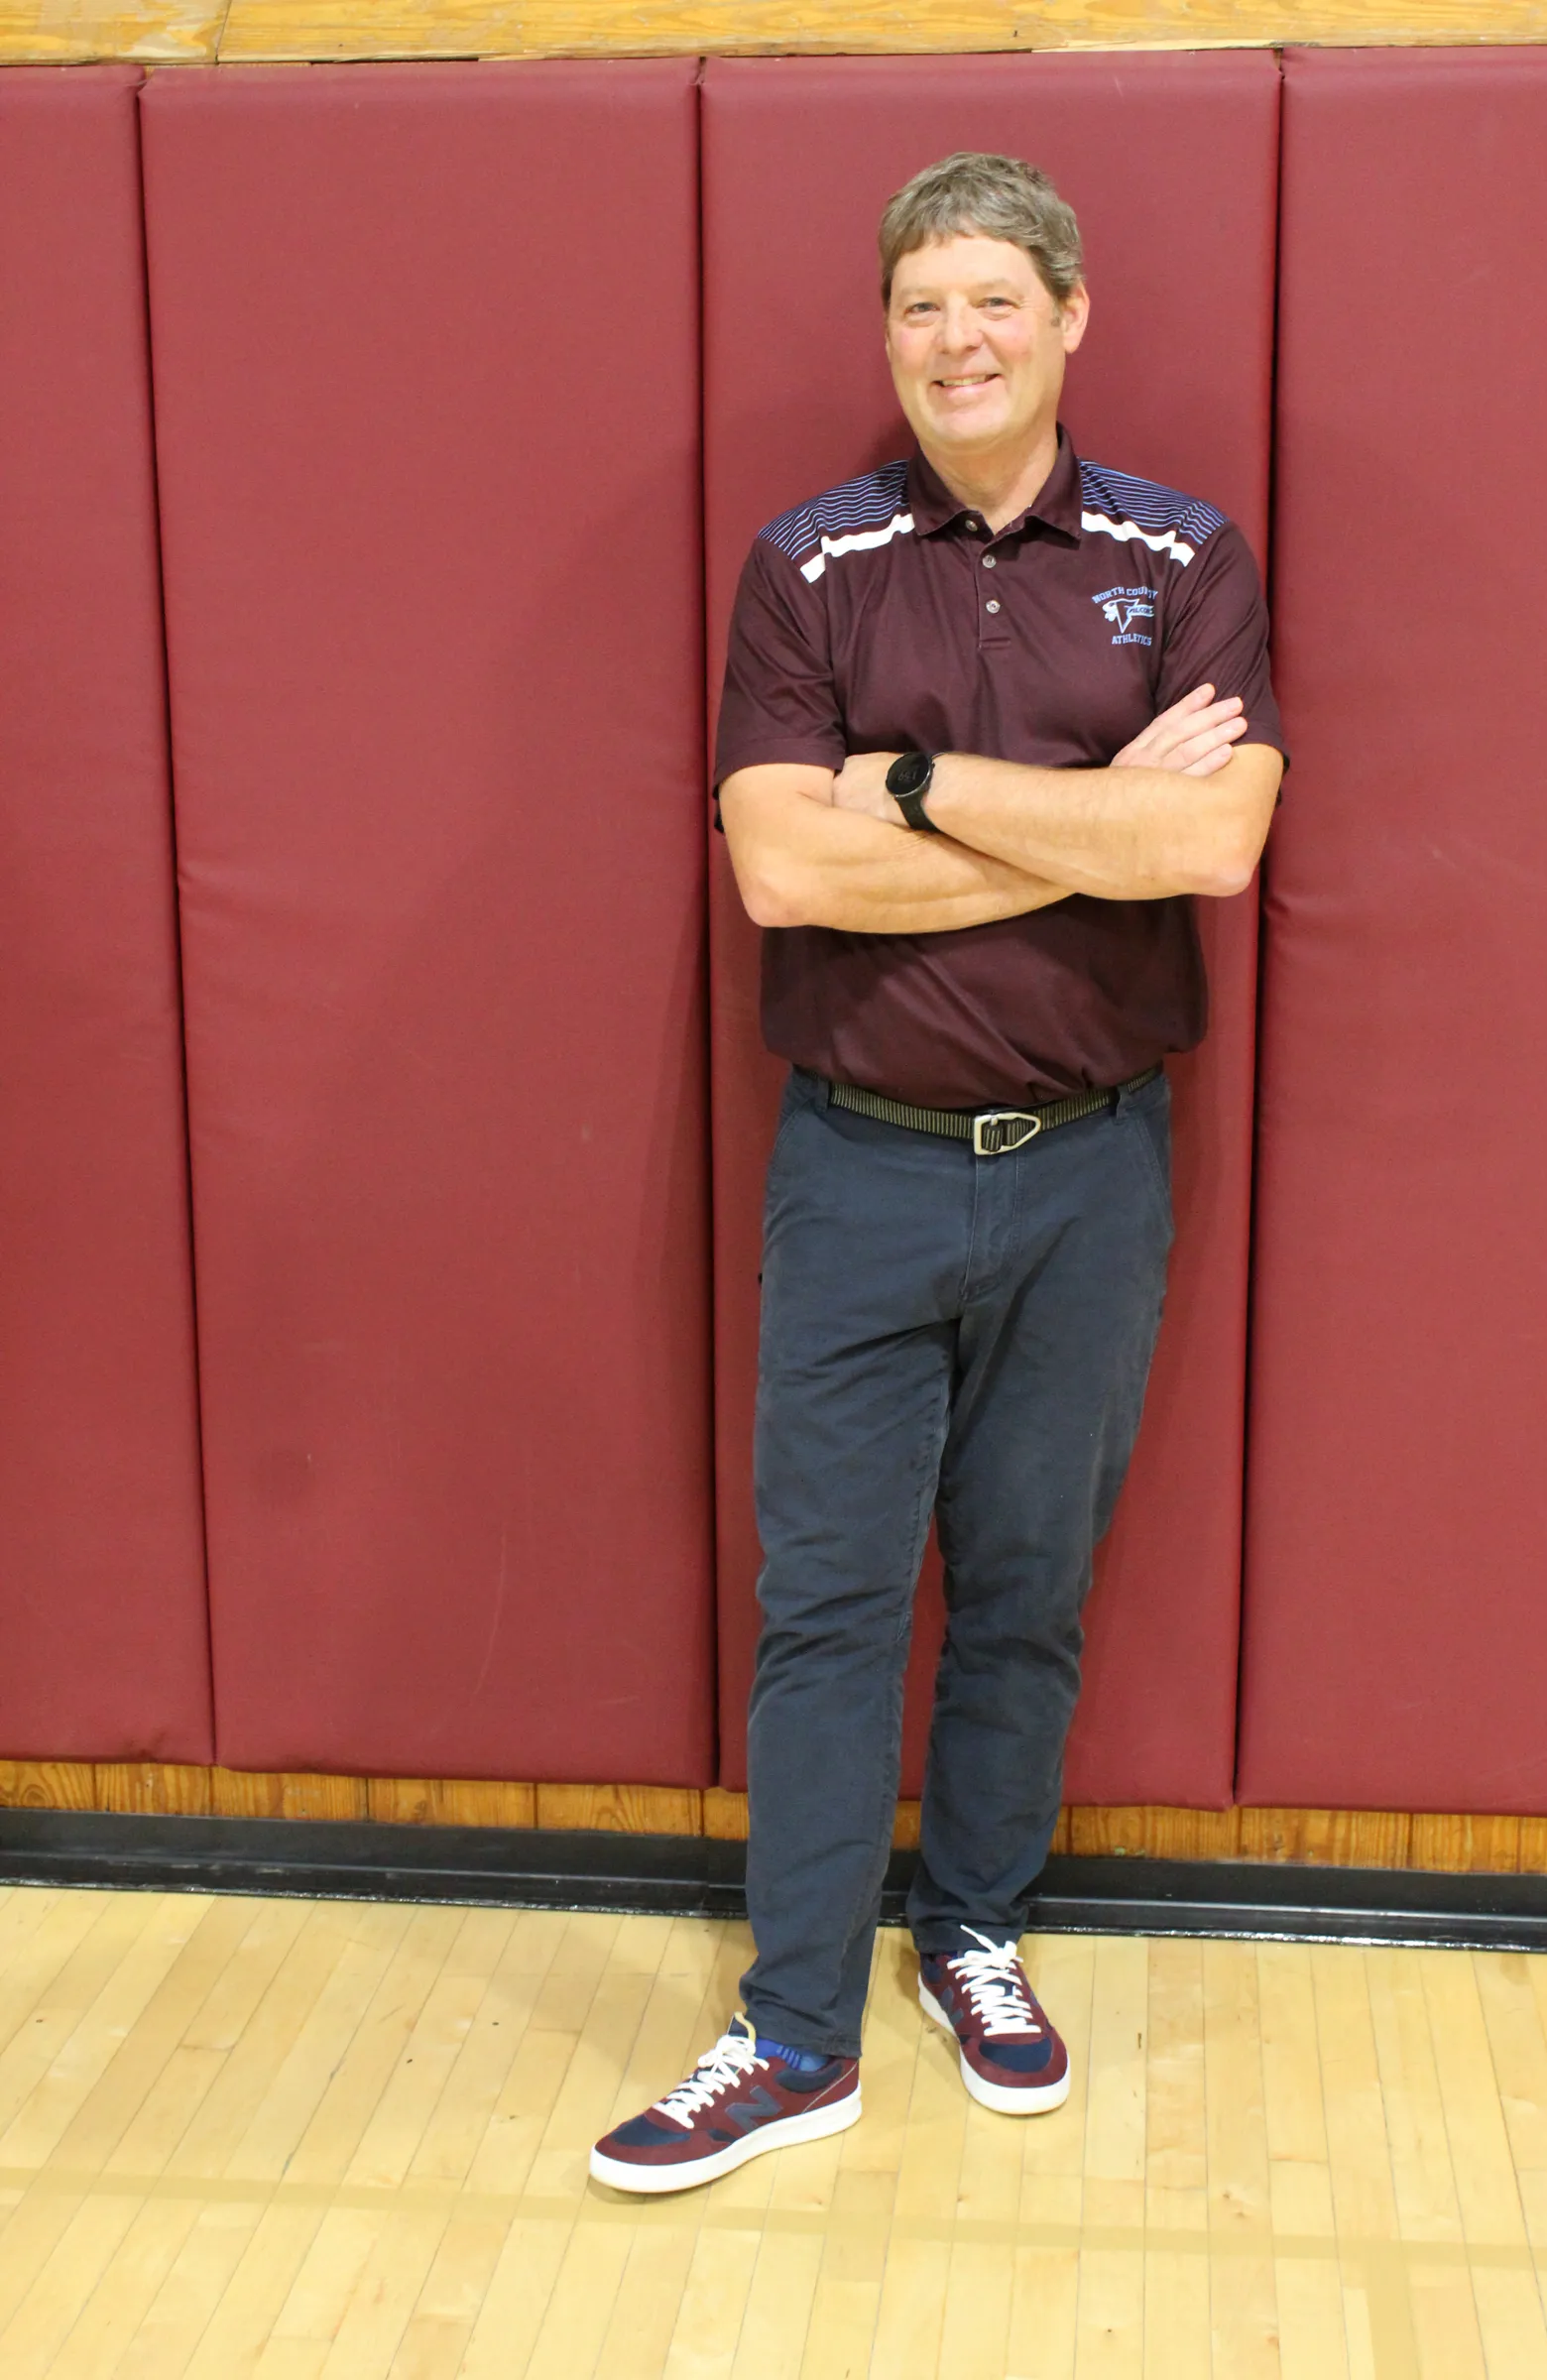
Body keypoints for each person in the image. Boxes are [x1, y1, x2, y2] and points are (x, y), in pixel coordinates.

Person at [590, 150, 1284, 2196]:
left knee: (1025, 1592)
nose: (954, 339)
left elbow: (1211, 850)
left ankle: (971, 1931)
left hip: (1090, 1175)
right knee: (822, 1608)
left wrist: (909, 788)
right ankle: (792, 2025)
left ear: (1067, 316)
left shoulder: (1183, 553)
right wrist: (1078, 817)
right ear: (883, 336)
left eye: (992, 299)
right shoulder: (805, 565)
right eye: (917, 308)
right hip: (857, 1172)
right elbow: (781, 867)